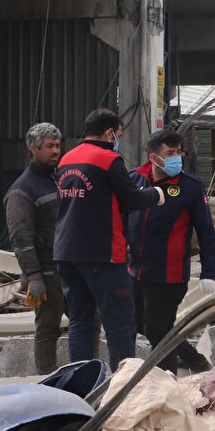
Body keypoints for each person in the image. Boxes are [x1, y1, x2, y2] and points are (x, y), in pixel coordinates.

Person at [54, 108, 164, 369]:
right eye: (118, 135)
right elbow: (133, 199)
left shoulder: (66, 160)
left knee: (81, 320)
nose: (118, 140)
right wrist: (156, 193)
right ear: (108, 133)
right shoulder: (108, 159)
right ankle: (122, 387)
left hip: (67, 253)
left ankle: (82, 383)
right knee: (120, 322)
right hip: (102, 254)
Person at [127, 129, 215, 374]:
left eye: (179, 152)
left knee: (158, 330)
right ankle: (192, 358)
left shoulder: (189, 187)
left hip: (169, 274)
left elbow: (207, 232)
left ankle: (167, 381)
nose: (176, 157)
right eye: (170, 153)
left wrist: (209, 272)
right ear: (154, 156)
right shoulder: (135, 179)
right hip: (135, 270)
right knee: (139, 324)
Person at [3, 122, 65, 374]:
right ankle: (48, 378)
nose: (55, 151)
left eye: (58, 146)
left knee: (88, 321)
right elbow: (21, 237)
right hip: (47, 270)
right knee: (48, 329)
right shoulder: (23, 190)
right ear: (33, 149)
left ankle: (87, 374)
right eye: (49, 146)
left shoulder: (57, 179)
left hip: (67, 265)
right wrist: (35, 276)